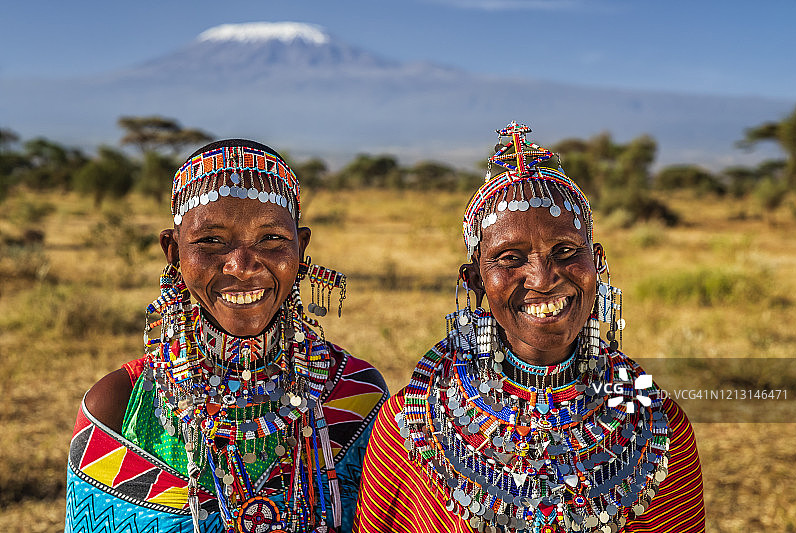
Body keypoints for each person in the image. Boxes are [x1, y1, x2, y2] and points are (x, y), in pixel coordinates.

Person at [355, 122, 704, 533]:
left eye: (565, 251)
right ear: (475, 280)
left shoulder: (658, 429)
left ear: (598, 262)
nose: (542, 278)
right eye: (509, 258)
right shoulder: (411, 426)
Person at [65, 139, 388, 533]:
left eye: (271, 239)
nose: (242, 266)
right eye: (211, 241)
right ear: (173, 252)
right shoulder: (118, 407)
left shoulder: (356, 397)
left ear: (300, 248)